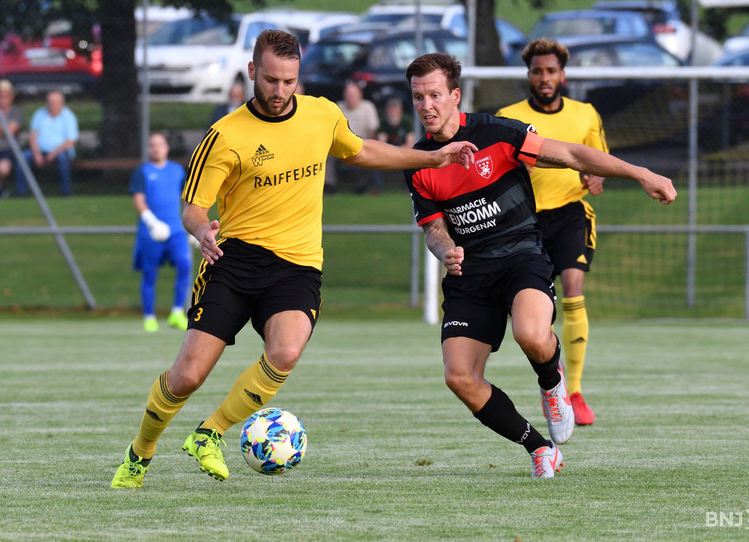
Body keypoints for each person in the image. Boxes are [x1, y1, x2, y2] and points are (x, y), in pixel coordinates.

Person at [111, 30, 477, 489]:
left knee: (285, 351)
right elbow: (193, 207)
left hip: (297, 265)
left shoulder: (322, 114)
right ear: (252, 72)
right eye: (271, 80)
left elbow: (362, 149)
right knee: (186, 376)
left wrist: (432, 159)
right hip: (234, 260)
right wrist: (202, 229)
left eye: (289, 81)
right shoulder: (224, 135)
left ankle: (210, 433)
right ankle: (140, 453)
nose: (280, 91)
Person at [403, 53, 676, 478]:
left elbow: (571, 154)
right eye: (418, 97)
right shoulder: (419, 161)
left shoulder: (498, 132)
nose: (426, 105)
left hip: (520, 257)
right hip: (470, 275)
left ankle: (551, 381)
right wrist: (446, 249)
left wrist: (641, 173)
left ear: (455, 95)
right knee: (459, 377)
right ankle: (539, 448)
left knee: (531, 335)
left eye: (435, 95)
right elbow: (434, 230)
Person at [496, 38, 608, 426]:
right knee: (532, 311)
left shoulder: (585, 114)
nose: (544, 78)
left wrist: (597, 178)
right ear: (528, 75)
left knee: (574, 288)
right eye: (537, 71)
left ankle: (574, 391)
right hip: (524, 222)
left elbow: (598, 161)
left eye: (551, 71)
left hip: (571, 214)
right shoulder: (508, 117)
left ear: (563, 75)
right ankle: (552, 369)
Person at [130, 132, 193, 333]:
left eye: (160, 144)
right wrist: (152, 222)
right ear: (148, 149)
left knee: (185, 265)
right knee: (150, 273)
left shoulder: (177, 170)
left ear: (167, 148)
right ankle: (149, 317)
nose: (156, 148)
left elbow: (185, 199)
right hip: (151, 232)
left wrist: (192, 227)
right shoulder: (142, 171)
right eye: (152, 145)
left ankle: (177, 312)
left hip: (176, 231)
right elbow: (138, 200)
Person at [14, 90, 79, 197]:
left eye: (55, 102)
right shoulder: (39, 114)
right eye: (50, 102)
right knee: (22, 157)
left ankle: (66, 191)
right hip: (39, 151)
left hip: (60, 151)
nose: (52, 105)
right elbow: (33, 136)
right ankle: (21, 191)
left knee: (62, 158)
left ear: (61, 103)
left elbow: (70, 141)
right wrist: (37, 154)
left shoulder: (69, 117)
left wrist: (53, 153)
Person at [325, 81, 381, 194]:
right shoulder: (338, 107)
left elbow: (372, 131)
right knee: (327, 154)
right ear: (344, 95)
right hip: (340, 145)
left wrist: (366, 144)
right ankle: (329, 185)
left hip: (361, 143)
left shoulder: (368, 107)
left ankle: (362, 186)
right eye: (348, 95)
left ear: (360, 95)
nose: (350, 98)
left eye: (353, 95)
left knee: (370, 152)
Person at [375, 97, 416, 193]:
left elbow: (410, 143)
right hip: (386, 154)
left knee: (411, 161)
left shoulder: (406, 121)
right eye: (390, 110)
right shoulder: (383, 123)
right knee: (375, 160)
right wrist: (390, 152)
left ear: (400, 111)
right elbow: (381, 143)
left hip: (403, 153)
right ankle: (376, 188)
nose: (392, 113)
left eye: (394, 110)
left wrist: (396, 151)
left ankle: (408, 188)